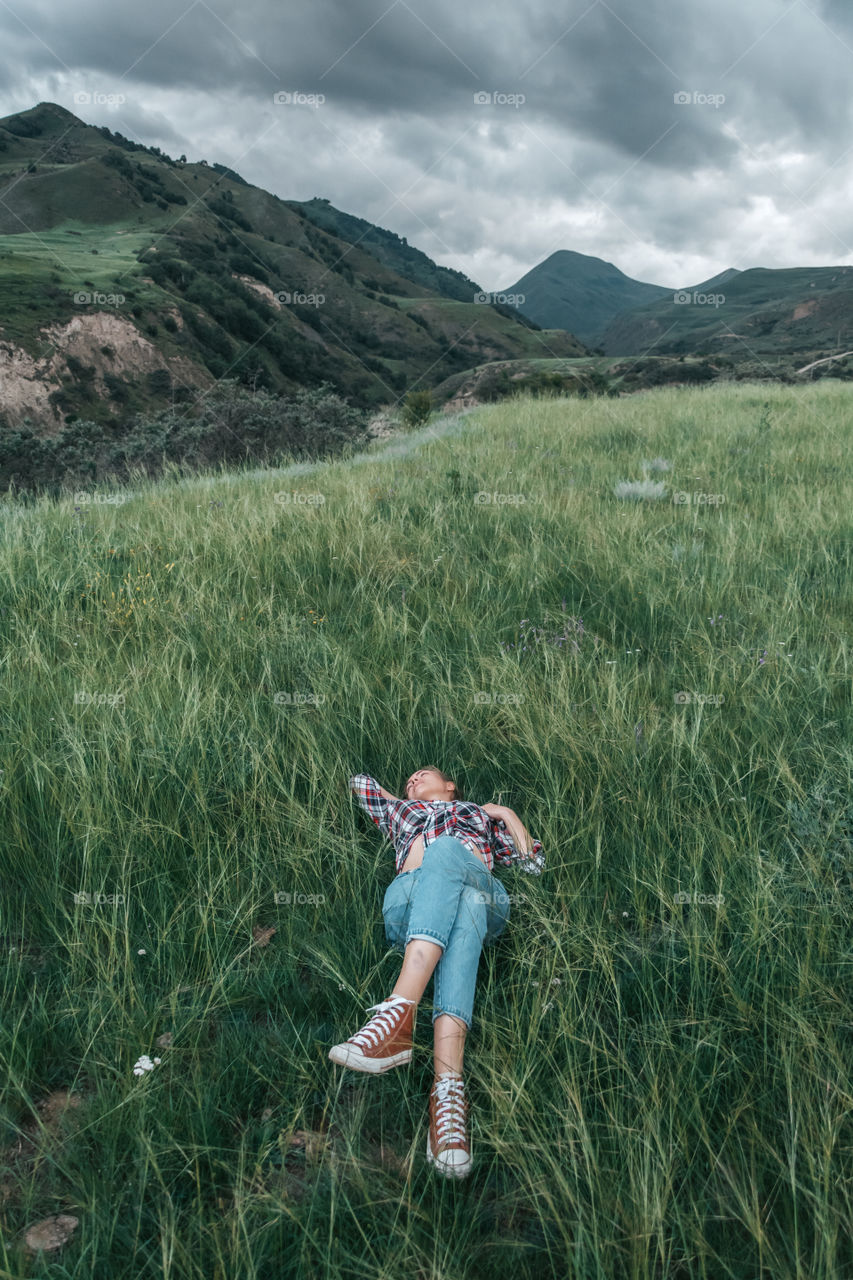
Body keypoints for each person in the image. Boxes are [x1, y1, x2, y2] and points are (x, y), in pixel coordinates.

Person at [328, 766, 545, 1179]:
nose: (412, 780)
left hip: (482, 888)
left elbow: (531, 863)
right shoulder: (400, 813)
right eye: (408, 778)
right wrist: (404, 800)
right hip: (410, 897)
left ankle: (397, 1015)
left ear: (452, 785)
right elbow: (358, 783)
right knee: (466, 903)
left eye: (423, 774)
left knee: (452, 861)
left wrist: (505, 813)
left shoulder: (480, 817)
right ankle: (447, 1093)